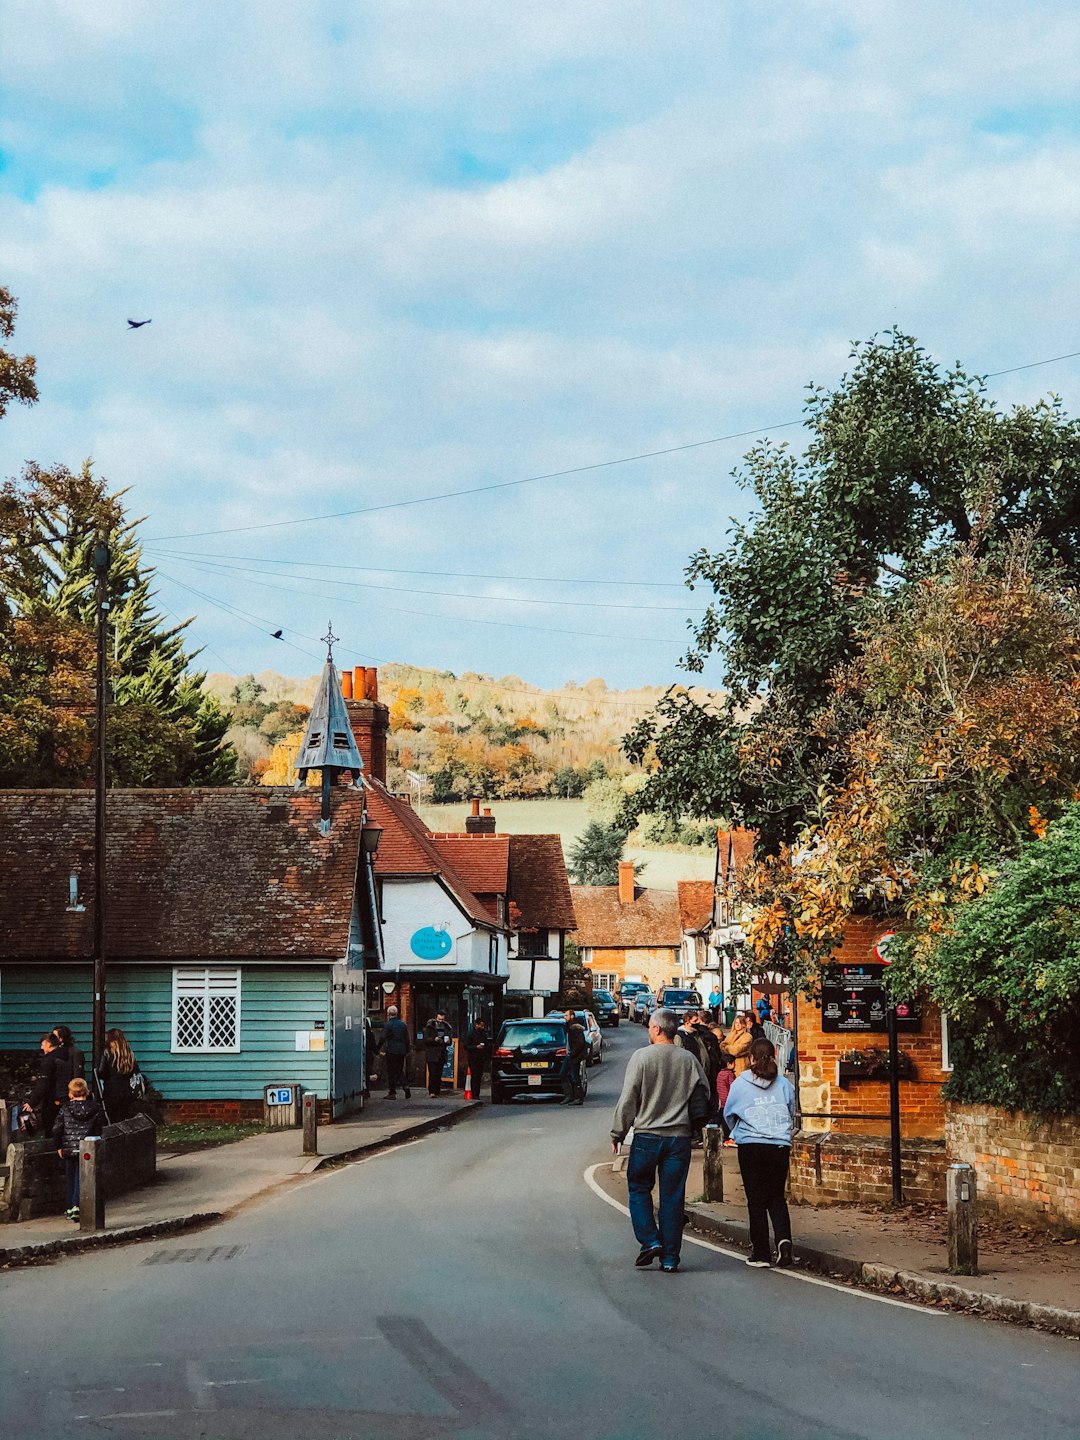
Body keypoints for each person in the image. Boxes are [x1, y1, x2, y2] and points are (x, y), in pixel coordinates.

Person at [611, 1007, 709, 1273]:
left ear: (656, 1029)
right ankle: (670, 1258)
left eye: (649, 1027)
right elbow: (705, 1094)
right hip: (679, 1138)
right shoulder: (688, 1059)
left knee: (639, 1188)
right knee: (672, 1197)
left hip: (647, 1137)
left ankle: (651, 1240)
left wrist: (617, 1133)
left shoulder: (641, 1058)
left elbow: (628, 1099)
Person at [724, 1036, 796, 1268]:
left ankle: (762, 1252)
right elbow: (791, 1110)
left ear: (750, 1057)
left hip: (751, 1146)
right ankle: (784, 1245)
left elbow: (729, 1113)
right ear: (774, 1055)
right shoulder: (784, 1084)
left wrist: (736, 1130)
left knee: (755, 1199)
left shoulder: (740, 1083)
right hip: (779, 1146)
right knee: (776, 1197)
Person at [54, 1077, 105, 1220]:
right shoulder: (95, 1108)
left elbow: (57, 1128)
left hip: (69, 1147)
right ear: (87, 1092)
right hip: (87, 1147)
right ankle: (76, 1205)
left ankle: (70, 1206)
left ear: (70, 1094)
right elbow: (98, 1127)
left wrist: (59, 1145)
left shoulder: (65, 1108)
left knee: (70, 1177)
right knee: (81, 1177)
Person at [28, 1033, 73, 1137]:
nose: (41, 1047)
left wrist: (32, 1102)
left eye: (42, 1044)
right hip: (65, 1096)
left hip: (52, 1098)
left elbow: (43, 1083)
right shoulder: (66, 1056)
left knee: (50, 1126)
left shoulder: (49, 1060)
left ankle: (52, 1150)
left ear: (48, 1044)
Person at [96, 1028, 142, 1123]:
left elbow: (101, 1072)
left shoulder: (107, 1052)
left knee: (111, 1118)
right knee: (121, 1118)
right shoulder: (128, 1053)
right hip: (127, 1090)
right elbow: (135, 1071)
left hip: (111, 1090)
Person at [382, 1006, 412, 1099]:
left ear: (388, 1014)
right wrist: (407, 1050)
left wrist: (377, 1048)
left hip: (391, 1050)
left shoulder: (388, 1025)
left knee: (391, 1071)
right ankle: (405, 1086)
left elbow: (383, 1038)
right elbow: (407, 1039)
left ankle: (392, 1092)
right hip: (401, 1051)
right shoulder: (403, 1025)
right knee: (399, 1070)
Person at [423, 1011, 453, 1097]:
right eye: (439, 1019)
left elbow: (450, 1041)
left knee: (439, 1073)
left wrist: (448, 1041)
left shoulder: (446, 1027)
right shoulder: (429, 1027)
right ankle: (432, 1091)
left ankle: (437, 1091)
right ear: (436, 1018)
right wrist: (434, 1039)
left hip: (441, 1052)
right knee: (432, 1073)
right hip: (432, 1053)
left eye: (442, 1019)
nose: (440, 1021)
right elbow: (425, 1040)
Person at [561, 1009, 588, 1105]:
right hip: (570, 1055)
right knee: (563, 1074)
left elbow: (580, 1043)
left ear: (572, 1016)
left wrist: (572, 1054)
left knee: (575, 1077)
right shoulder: (568, 1026)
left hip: (574, 1056)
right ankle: (569, 1096)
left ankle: (578, 1098)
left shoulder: (576, 1028)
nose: (565, 1017)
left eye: (566, 1015)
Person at [464, 1016, 491, 1098]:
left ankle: (477, 1094)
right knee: (474, 1076)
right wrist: (476, 1047)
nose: (482, 1027)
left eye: (483, 1026)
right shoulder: (470, 1034)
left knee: (479, 1076)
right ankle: (474, 1094)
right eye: (481, 1025)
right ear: (476, 1025)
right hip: (473, 1058)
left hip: (481, 1058)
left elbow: (487, 1045)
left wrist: (487, 1055)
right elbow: (466, 1046)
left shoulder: (483, 1034)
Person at [715, 1053, 736, 1142]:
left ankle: (724, 1137)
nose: (735, 1065)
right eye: (733, 1063)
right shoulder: (729, 1074)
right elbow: (733, 1086)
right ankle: (730, 1138)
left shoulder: (720, 1073)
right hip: (729, 1100)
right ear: (728, 1064)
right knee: (729, 1119)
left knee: (722, 1118)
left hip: (721, 1100)